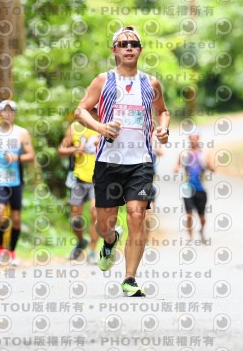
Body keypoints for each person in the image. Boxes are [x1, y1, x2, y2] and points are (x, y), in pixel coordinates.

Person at [74, 25, 170, 296]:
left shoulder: (151, 83)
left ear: (140, 50)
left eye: (134, 44)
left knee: (137, 216)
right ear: (114, 50)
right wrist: (100, 127)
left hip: (141, 162)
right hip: (108, 162)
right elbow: (80, 111)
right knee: (104, 224)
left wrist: (163, 129)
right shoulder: (103, 81)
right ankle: (109, 241)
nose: (129, 48)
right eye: (123, 44)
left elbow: (163, 111)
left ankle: (130, 279)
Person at [0, 100, 35, 265]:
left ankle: (12, 252)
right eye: (5, 111)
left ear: (15, 114)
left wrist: (16, 157)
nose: (8, 114)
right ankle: (0, 250)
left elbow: (31, 155)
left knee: (16, 217)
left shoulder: (22, 133)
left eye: (11, 111)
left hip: (16, 180)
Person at [58, 107, 100, 264]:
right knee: (75, 219)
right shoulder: (74, 128)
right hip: (78, 178)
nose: (93, 112)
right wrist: (75, 149)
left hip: (98, 179)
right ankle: (82, 240)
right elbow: (61, 150)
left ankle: (92, 252)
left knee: (95, 213)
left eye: (95, 110)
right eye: (90, 109)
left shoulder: (104, 126)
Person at [174, 128, 215, 243]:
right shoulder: (184, 153)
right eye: (191, 138)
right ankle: (191, 238)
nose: (193, 140)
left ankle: (201, 230)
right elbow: (176, 166)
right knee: (189, 214)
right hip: (187, 187)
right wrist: (176, 168)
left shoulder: (204, 153)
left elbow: (213, 169)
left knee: (202, 217)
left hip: (200, 188)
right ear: (189, 138)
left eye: (195, 137)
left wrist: (207, 163)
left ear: (198, 138)